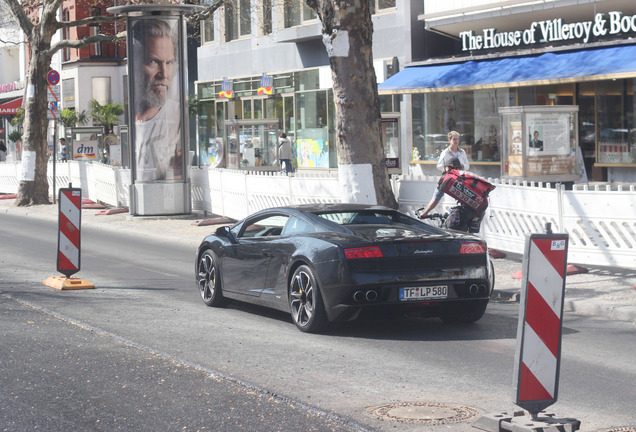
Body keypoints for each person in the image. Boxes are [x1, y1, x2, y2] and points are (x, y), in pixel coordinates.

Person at [132, 19, 182, 182]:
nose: (164, 73)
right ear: (135, 63)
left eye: (169, 62)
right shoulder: (132, 114)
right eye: (153, 62)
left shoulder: (178, 115)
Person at [418, 157, 486, 233]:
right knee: (468, 236)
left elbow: (435, 199)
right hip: (479, 212)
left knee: (447, 232)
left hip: (462, 214)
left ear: (447, 167)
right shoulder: (466, 176)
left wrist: (425, 213)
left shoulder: (448, 178)